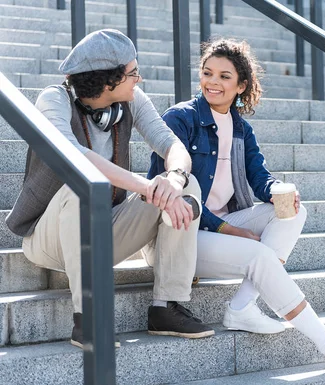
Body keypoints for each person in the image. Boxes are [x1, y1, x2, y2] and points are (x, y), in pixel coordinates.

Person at [147, 38, 325, 375]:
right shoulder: (181, 119)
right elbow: (168, 190)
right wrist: (228, 228)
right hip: (180, 233)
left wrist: (281, 190)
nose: (213, 83)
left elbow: (260, 177)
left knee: (293, 211)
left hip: (221, 228)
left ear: (241, 85)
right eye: (207, 74)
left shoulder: (240, 129)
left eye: (224, 76)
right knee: (260, 256)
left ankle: (243, 304)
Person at [5, 29, 214, 348]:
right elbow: (73, 154)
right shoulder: (54, 99)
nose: (138, 79)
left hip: (104, 230)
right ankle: (88, 318)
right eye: (132, 73)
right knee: (83, 185)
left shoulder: (131, 101)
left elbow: (171, 143)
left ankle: (166, 307)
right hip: (49, 237)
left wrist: (172, 181)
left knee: (187, 185)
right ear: (107, 80)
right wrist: (146, 186)